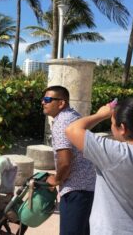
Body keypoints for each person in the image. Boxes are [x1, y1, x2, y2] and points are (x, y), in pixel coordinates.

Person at [66, 98, 133, 234]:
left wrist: (101, 114)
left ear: (122, 128)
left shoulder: (117, 155)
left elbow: (72, 129)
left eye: (112, 123)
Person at [42, 85, 96, 235]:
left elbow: (65, 162)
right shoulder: (74, 116)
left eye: (47, 99)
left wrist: (56, 179)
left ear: (61, 103)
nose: (43, 102)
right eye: (43, 99)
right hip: (88, 186)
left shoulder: (61, 122)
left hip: (75, 189)